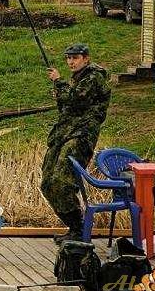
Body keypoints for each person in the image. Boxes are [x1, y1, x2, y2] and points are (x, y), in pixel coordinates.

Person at [42, 43, 111, 244]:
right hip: (64, 133)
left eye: (75, 58)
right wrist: (60, 87)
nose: (71, 62)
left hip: (80, 136)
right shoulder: (77, 79)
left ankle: (79, 229)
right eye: (68, 58)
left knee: (62, 181)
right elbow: (65, 107)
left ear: (86, 59)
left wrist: (59, 82)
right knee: (47, 182)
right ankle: (73, 227)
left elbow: (75, 101)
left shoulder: (93, 77)